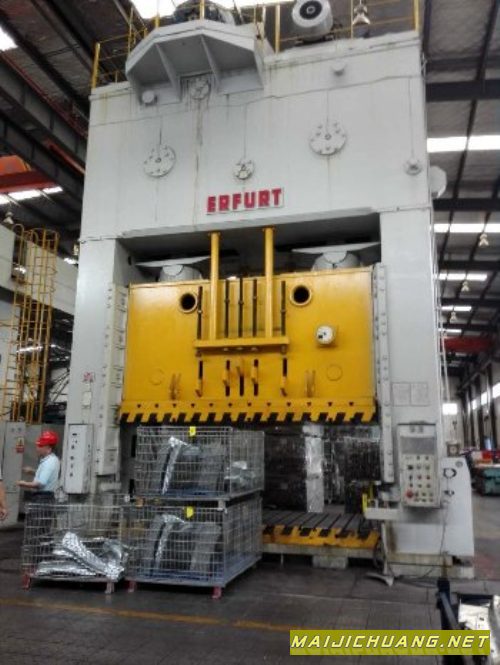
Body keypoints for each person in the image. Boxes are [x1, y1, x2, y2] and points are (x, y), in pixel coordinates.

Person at [17, 430, 60, 501]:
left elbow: (40, 484)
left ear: (49, 449)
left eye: (40, 446)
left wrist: (24, 483)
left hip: (43, 497)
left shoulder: (49, 462)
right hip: (44, 496)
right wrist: (32, 471)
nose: (37, 448)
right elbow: (46, 476)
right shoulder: (52, 459)